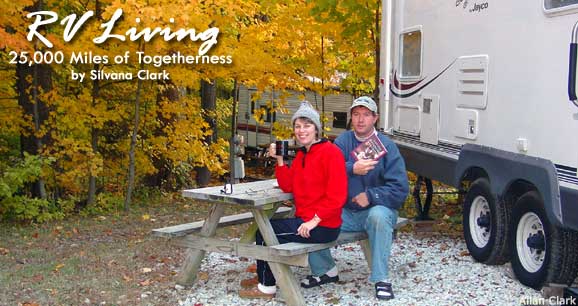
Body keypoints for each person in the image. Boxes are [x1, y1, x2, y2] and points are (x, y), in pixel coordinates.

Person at [303, 96, 409, 301]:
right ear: (351, 117)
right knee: (311, 214)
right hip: (345, 213)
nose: (360, 120)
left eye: (366, 115)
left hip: (375, 211)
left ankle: (381, 279)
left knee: (378, 216)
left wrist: (371, 195)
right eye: (356, 114)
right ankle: (325, 270)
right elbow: (325, 171)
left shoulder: (387, 146)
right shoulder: (343, 141)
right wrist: (352, 168)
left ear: (375, 118)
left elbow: (400, 189)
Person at [238, 101, 348, 299]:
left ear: (316, 129)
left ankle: (266, 286)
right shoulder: (302, 155)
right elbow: (288, 186)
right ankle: (267, 275)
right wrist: (279, 160)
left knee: (265, 233)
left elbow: (337, 195)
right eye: (298, 126)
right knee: (266, 229)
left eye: (307, 125)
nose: (301, 130)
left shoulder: (331, 153)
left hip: (323, 225)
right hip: (306, 220)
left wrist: (314, 220)